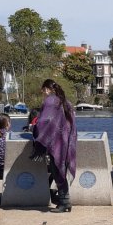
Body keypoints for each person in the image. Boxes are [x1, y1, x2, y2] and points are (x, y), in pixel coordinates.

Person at [30, 79, 77, 213]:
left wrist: (34, 128)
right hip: (65, 139)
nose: (43, 93)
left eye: (43, 90)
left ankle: (64, 202)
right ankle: (65, 201)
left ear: (46, 89)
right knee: (60, 168)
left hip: (55, 140)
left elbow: (45, 120)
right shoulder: (65, 101)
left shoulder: (50, 101)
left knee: (57, 169)